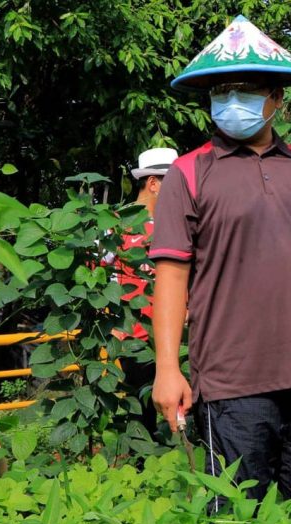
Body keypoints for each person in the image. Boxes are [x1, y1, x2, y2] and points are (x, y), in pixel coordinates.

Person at [149, 16, 291, 511]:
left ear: (276, 99)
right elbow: (172, 277)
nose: (233, 101)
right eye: (223, 90)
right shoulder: (189, 173)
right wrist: (166, 369)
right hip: (230, 381)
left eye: (247, 89)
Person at [105, 147, 178, 440]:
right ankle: (141, 466)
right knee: (142, 411)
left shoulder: (176, 225)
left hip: (174, 333)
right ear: (152, 183)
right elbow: (96, 277)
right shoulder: (114, 225)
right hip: (134, 336)